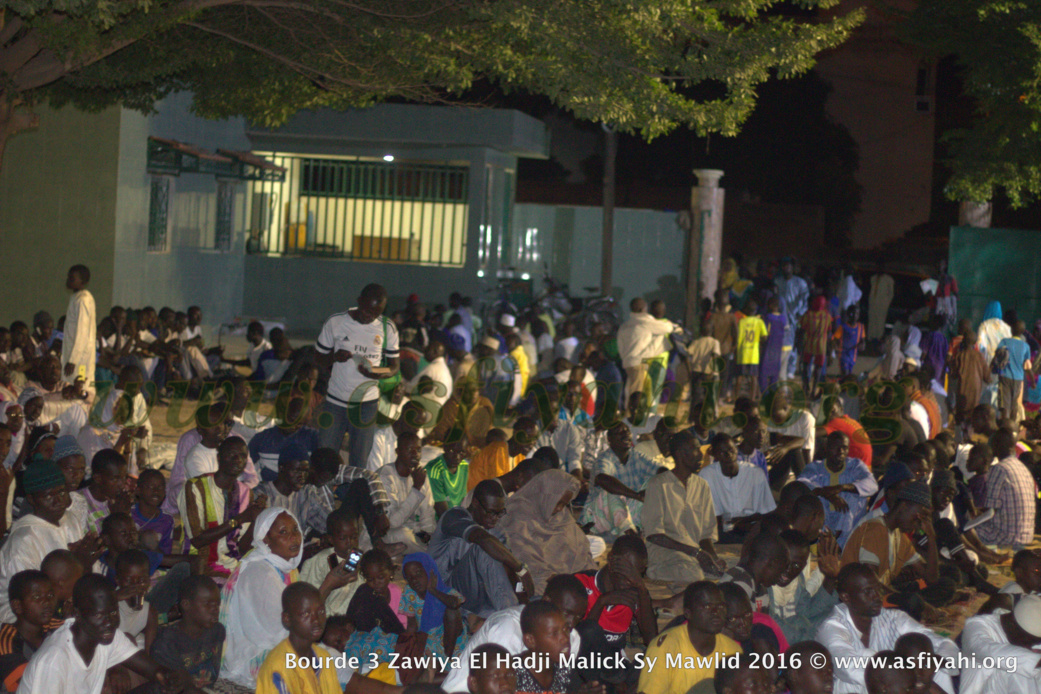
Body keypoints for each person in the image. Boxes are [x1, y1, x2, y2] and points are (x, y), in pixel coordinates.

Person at [17, 574, 188, 694]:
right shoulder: (54, 659)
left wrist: (168, 676)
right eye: (99, 615)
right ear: (77, 614)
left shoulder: (106, 635)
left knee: (159, 689)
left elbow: (152, 669)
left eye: (113, 612)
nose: (109, 622)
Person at [221, 507, 331, 687]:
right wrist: (328, 585)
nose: (294, 537)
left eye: (295, 529)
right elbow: (283, 630)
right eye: (283, 532)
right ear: (265, 539)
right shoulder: (260, 572)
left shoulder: (286, 567)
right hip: (254, 654)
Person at [816, 563, 958, 694]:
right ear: (846, 597)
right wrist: (912, 678)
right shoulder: (831, 628)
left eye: (878, 589)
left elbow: (945, 644)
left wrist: (932, 665)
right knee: (869, 664)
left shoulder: (893, 618)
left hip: (899, 685)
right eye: (868, 591)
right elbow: (848, 669)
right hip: (857, 688)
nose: (877, 596)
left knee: (934, 667)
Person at [443, 574, 586, 693]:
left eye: (578, 617)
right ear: (547, 600)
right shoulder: (508, 626)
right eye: (566, 613)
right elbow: (501, 684)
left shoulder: (572, 637)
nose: (571, 623)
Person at [0, 460, 98, 624]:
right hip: (24, 622)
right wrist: (80, 566)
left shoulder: (71, 519)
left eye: (62, 492)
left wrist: (87, 563)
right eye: (48, 496)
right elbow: (32, 603)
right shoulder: (24, 541)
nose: (59, 501)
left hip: (66, 610)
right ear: (31, 499)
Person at [315, 284, 401, 469]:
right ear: (359, 301)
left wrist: (376, 372)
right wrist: (334, 357)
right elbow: (318, 358)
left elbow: (394, 367)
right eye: (366, 311)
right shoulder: (336, 322)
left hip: (366, 405)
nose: (369, 317)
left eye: (376, 313)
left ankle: (351, 488)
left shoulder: (388, 328)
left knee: (359, 462)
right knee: (325, 458)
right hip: (336, 402)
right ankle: (326, 488)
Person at [428, 480, 534, 619]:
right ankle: (511, 617)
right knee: (486, 548)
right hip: (442, 591)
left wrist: (523, 597)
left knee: (498, 552)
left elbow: (507, 567)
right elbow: (482, 539)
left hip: (474, 594)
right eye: (490, 512)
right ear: (475, 503)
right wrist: (521, 568)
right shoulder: (454, 516)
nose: (494, 518)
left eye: (499, 513)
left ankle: (516, 614)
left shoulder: (494, 530)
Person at [641, 430, 724, 585]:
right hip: (665, 553)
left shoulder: (702, 485)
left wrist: (714, 559)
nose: (701, 455)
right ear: (680, 454)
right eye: (696, 450)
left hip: (694, 555)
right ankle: (654, 571)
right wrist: (696, 553)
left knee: (731, 568)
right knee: (693, 574)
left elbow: (705, 535)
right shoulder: (658, 484)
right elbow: (654, 535)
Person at [180, 437, 267, 577]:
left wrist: (256, 517)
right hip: (199, 566)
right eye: (232, 454)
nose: (238, 460)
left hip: (232, 564)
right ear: (219, 458)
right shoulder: (196, 487)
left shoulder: (245, 493)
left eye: (243, 456)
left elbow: (243, 548)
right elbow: (197, 540)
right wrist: (239, 520)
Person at [498, 469, 593, 595]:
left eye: (564, 504)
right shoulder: (518, 515)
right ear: (546, 494)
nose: (559, 509)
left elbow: (581, 548)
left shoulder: (561, 516)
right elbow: (526, 560)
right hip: (537, 579)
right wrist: (559, 580)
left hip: (565, 579)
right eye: (557, 502)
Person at [636, 581, 742, 694]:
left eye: (720, 606)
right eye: (707, 606)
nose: (716, 612)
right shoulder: (666, 647)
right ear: (688, 613)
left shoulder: (732, 650)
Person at [255, 582, 344, 694]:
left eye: (321, 611)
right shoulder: (278, 667)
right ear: (287, 619)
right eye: (306, 614)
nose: (316, 620)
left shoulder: (324, 657)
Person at [150, 575, 233, 692]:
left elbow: (212, 674)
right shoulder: (167, 643)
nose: (215, 609)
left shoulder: (217, 631)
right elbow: (181, 688)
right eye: (208, 604)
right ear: (186, 605)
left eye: (217, 604)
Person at [581, 422, 659, 539]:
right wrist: (637, 495)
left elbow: (660, 470)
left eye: (627, 431)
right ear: (609, 439)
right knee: (610, 492)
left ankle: (643, 529)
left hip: (626, 514)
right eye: (619, 432)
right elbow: (603, 479)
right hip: (600, 517)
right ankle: (630, 534)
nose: (625, 434)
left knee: (656, 481)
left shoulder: (636, 456)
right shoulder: (604, 459)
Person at [798, 431, 878, 545]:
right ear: (826, 447)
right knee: (813, 496)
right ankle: (824, 540)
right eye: (836, 447)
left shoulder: (855, 466)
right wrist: (826, 493)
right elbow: (800, 483)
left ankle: (841, 543)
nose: (841, 451)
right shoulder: (815, 468)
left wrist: (842, 487)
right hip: (823, 521)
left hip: (849, 525)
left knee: (854, 495)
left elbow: (872, 485)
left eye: (844, 448)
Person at [699, 433, 776, 543]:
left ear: (736, 449)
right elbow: (706, 513)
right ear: (714, 455)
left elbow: (768, 510)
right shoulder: (706, 475)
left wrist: (743, 521)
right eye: (722, 452)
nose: (728, 454)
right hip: (721, 530)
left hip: (751, 526)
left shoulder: (755, 473)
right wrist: (733, 524)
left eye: (731, 449)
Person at [961, 593, 1041, 694]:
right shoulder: (977, 627)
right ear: (1012, 623)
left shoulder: (1024, 633)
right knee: (1019, 670)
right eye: (1027, 641)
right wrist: (1036, 661)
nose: (1028, 646)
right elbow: (986, 651)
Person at [975, 428, 1036, 549]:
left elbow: (989, 509)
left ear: (996, 445)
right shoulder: (1023, 468)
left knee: (965, 531)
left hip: (1007, 537)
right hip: (1026, 535)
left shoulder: (999, 469)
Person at [0, 570, 59, 692]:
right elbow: (31, 687)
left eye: (50, 595)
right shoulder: (6, 644)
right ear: (17, 606)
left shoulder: (58, 627)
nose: (47, 602)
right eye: (37, 597)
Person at [377, 431, 436, 554]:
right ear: (397, 452)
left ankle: (429, 551)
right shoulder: (385, 476)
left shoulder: (420, 475)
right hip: (386, 534)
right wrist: (416, 488)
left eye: (418, 450)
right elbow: (392, 522)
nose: (415, 454)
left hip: (413, 532)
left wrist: (428, 534)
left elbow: (428, 513)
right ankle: (430, 555)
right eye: (409, 449)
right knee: (402, 535)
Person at [400, 553, 465, 658]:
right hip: (427, 639)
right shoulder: (409, 592)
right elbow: (412, 625)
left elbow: (454, 604)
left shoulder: (446, 593)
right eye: (409, 577)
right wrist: (408, 648)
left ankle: (446, 659)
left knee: (452, 611)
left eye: (418, 573)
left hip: (452, 644)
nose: (414, 580)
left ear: (429, 570)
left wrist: (433, 591)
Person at [617, 298, 681, 404]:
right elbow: (666, 328)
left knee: (630, 391)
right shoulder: (645, 322)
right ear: (642, 309)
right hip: (638, 363)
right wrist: (673, 326)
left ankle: (629, 411)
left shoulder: (624, 326)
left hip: (627, 363)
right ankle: (634, 413)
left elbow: (620, 346)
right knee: (637, 393)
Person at [248, 397, 319, 482]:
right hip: (268, 487)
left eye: (299, 424)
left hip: (300, 487)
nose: (294, 426)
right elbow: (248, 472)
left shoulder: (312, 437)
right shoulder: (261, 439)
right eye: (291, 420)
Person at [514, 601, 578, 694]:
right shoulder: (510, 675)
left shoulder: (566, 669)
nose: (565, 638)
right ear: (530, 640)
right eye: (554, 633)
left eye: (566, 629)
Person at [719, 532, 791, 613]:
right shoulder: (741, 582)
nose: (782, 575)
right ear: (771, 564)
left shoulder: (761, 589)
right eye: (782, 569)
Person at [467, 416, 539, 491]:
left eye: (534, 439)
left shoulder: (520, 457)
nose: (531, 443)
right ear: (515, 433)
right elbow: (497, 488)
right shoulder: (497, 450)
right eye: (527, 436)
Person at [76, 448, 133, 536]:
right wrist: (116, 517)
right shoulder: (79, 504)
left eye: (124, 477)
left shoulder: (118, 500)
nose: (121, 484)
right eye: (115, 479)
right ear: (98, 478)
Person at [60, 265, 96, 388]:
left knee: (79, 385)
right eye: (68, 277)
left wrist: (73, 360)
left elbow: (82, 332)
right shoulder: (76, 297)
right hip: (74, 354)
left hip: (80, 359)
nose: (68, 280)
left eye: (72, 278)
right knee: (71, 385)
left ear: (83, 281)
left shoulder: (83, 300)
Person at [949, 330, 991, 429]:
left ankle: (959, 433)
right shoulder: (980, 356)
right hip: (975, 393)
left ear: (963, 341)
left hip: (962, 391)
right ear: (975, 343)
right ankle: (968, 433)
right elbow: (988, 378)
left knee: (960, 415)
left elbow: (953, 375)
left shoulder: (960, 355)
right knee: (972, 416)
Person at [704, 290, 739, 401]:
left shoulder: (713, 317)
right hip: (727, 349)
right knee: (725, 374)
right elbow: (736, 333)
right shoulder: (732, 317)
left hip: (714, 349)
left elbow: (708, 332)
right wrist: (734, 346)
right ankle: (721, 397)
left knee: (712, 373)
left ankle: (710, 394)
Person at [997, 320, 1032, 422]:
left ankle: (1005, 426)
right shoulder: (1026, 346)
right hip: (1018, 379)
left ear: (1011, 330)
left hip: (1005, 377)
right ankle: (1012, 426)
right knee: (1014, 404)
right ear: (1023, 332)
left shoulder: (1004, 341)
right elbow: (1027, 366)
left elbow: (997, 355)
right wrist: (1033, 382)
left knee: (1005, 404)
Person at [426, 438, 470, 516]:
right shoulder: (434, 470)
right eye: (452, 451)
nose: (456, 457)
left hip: (457, 517)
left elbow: (465, 500)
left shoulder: (464, 466)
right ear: (444, 447)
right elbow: (442, 511)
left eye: (461, 452)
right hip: (437, 520)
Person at [735, 298, 768, 400]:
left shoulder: (741, 322)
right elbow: (764, 336)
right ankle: (752, 398)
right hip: (754, 354)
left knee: (739, 377)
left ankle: (736, 397)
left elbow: (737, 337)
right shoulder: (759, 322)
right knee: (754, 377)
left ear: (745, 310)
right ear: (755, 311)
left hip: (742, 353)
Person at [800, 295, 833, 397]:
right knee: (818, 368)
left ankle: (806, 386)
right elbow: (829, 330)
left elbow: (802, 328)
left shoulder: (808, 314)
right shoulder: (827, 316)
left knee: (805, 365)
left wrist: (799, 343)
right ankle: (814, 389)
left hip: (809, 344)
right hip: (821, 345)